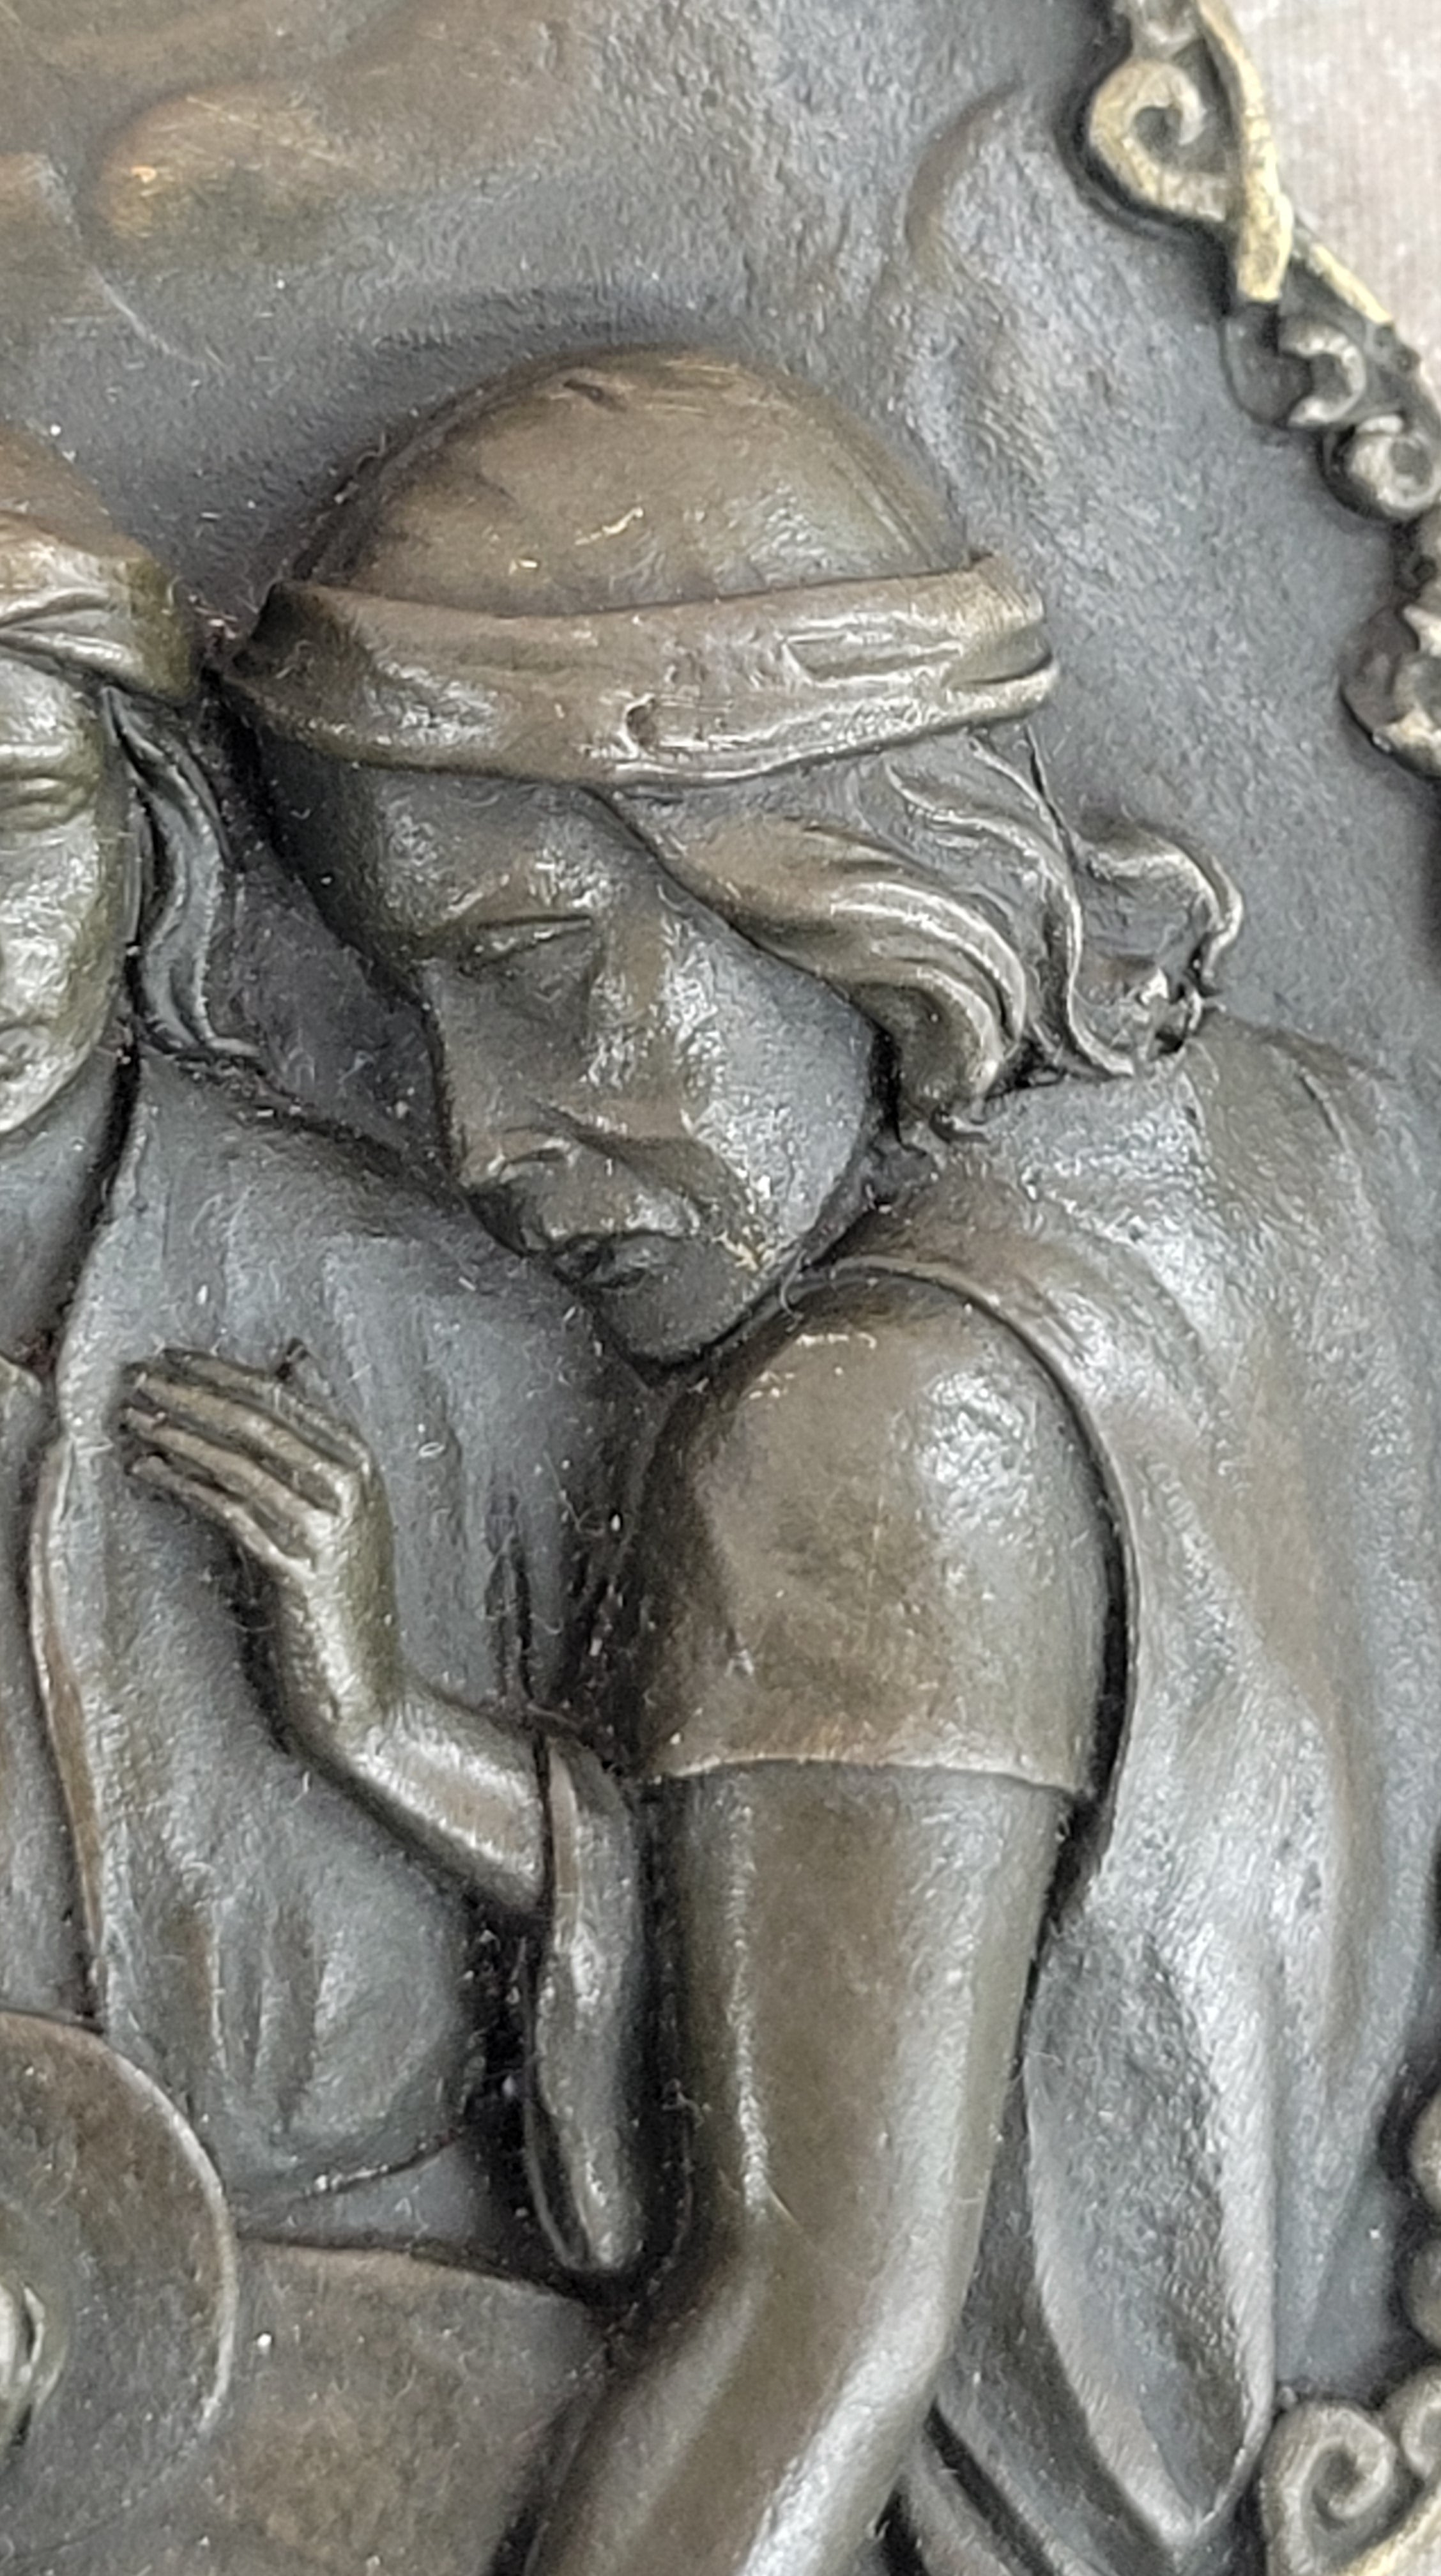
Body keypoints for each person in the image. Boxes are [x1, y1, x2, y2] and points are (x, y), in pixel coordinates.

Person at [214, 347, 1441, 2576]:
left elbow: (810, 2332)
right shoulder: (1313, 1152)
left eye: (531, 965)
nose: (476, 1130)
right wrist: (399, 1741)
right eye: (415, 1010)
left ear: (818, 859)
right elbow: (961, 1931)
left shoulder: (864, 1425)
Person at [0, 425, 654, 2568]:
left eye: (11, 813)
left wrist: (384, 1727)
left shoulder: (448, 1337)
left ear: (148, 834)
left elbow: (741, 1999)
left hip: (395, 2424)